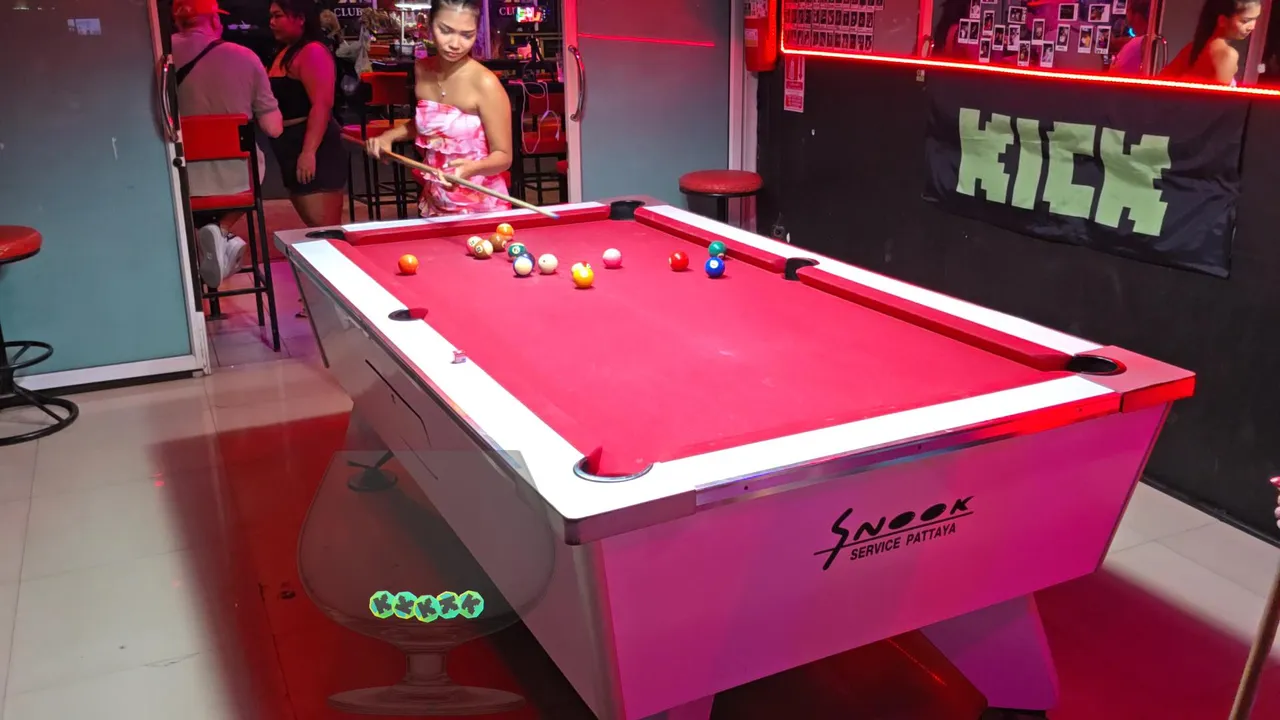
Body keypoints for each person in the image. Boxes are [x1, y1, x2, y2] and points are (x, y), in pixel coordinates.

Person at [172, 0, 283, 290]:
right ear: (213, 21)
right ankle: (221, 230)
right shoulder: (245, 57)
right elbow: (273, 128)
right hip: (238, 183)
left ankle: (202, 242)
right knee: (254, 161)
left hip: (179, 180)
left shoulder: (159, 56)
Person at [365, 0, 513, 218]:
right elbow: (430, 123)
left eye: (467, 35)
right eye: (445, 31)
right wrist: (389, 136)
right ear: (429, 25)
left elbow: (504, 156)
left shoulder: (485, 82)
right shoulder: (422, 69)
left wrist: (472, 169)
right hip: (435, 201)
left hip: (482, 207)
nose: (455, 44)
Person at [266, 0, 347, 228]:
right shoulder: (284, 52)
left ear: (300, 18)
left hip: (314, 146)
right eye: (271, 16)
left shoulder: (312, 51)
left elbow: (322, 105)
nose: (271, 22)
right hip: (289, 145)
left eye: (278, 16)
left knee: (326, 228)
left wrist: (308, 152)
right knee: (316, 226)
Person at [1161, 0, 1262, 85]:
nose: (1252, 27)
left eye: (1255, 19)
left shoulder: (1193, 47)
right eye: (1245, 21)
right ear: (1222, 20)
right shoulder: (1227, 55)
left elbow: (1162, 81)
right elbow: (1218, 101)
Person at [1109, 0, 1152, 76]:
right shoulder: (1140, 40)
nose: (1126, 13)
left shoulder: (1144, 42)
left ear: (1137, 15)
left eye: (1128, 10)